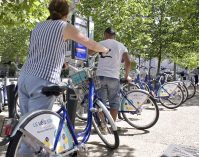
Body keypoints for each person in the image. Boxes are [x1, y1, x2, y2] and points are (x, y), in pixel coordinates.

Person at [17, 0, 109, 155]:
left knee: (26, 126)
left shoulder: (38, 26)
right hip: (43, 79)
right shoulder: (64, 26)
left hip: (25, 77)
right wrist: (104, 48)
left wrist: (62, 63)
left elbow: (41, 51)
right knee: (34, 133)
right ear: (67, 13)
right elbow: (90, 44)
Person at [96, 27, 131, 122]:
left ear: (105, 34)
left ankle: (103, 126)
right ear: (114, 36)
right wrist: (126, 76)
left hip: (101, 76)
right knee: (114, 102)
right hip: (114, 77)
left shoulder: (101, 43)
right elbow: (128, 62)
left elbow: (90, 53)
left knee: (100, 102)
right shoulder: (121, 46)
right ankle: (113, 125)